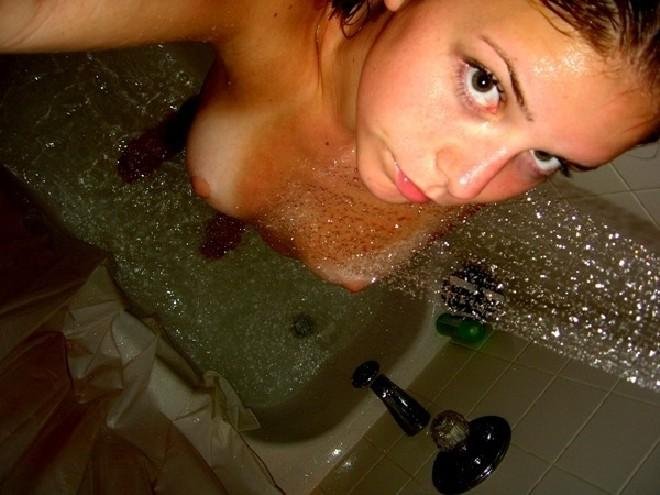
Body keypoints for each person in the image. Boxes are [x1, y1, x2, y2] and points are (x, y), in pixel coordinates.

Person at [1, 0, 658, 291]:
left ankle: (237, 214)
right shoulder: (268, 19)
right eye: (484, 82)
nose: (467, 183)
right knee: (227, 105)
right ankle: (173, 134)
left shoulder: (466, 166)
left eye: (549, 157)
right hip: (253, 94)